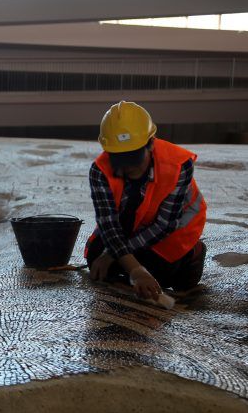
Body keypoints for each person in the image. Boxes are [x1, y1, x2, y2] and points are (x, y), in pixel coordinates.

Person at [86, 101, 207, 301]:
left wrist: (135, 268)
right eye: (119, 158)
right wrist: (113, 256)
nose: (127, 168)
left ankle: (193, 253)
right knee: (95, 259)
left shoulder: (178, 166)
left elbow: (164, 225)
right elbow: (108, 224)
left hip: (171, 230)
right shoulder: (100, 171)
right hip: (131, 226)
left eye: (133, 157)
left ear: (150, 144)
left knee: (159, 273)